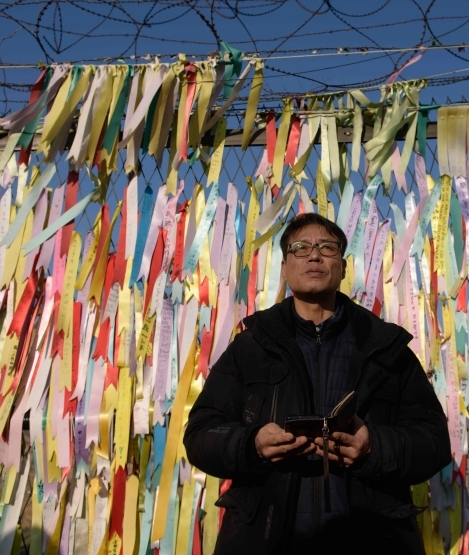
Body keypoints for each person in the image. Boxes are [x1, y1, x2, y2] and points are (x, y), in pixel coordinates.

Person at [184, 212, 451, 554]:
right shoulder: (251, 347)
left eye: (327, 247)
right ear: (284, 267)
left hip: (373, 539)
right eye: (301, 247)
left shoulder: (385, 348)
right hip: (264, 539)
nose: (314, 255)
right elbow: (200, 433)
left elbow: (434, 440)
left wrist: (374, 448)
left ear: (342, 266)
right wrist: (252, 444)